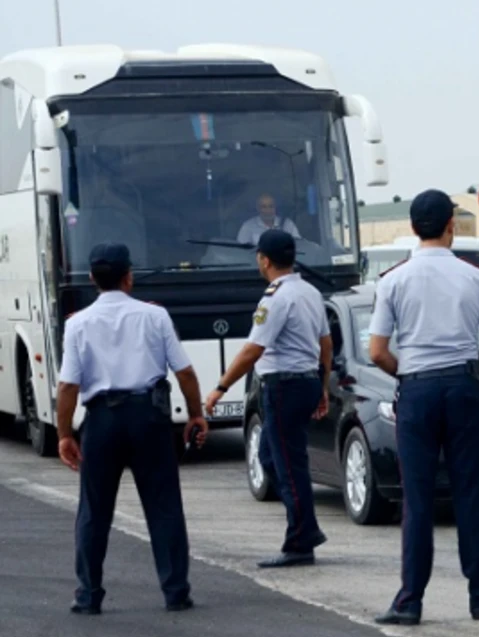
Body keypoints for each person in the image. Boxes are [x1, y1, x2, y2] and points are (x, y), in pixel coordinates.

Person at [367, 188, 479, 626]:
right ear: (452, 226)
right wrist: (470, 367)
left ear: (413, 229)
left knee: (418, 499)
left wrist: (410, 374)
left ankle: (410, 600)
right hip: (464, 387)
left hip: (416, 390)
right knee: (471, 493)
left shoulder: (393, 280)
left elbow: (376, 352)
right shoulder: (476, 279)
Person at [56, 242, 208, 614]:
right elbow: (185, 372)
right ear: (129, 277)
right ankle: (175, 591)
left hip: (102, 420)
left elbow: (67, 386)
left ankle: (89, 596)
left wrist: (64, 434)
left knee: (94, 510)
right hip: (149, 418)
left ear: (92, 278)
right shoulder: (154, 317)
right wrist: (195, 414)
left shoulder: (77, 323)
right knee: (164, 505)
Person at [204, 230, 333, 568]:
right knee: (272, 458)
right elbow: (326, 343)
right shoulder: (310, 292)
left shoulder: (275, 298)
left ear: (264, 259)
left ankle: (301, 540)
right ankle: (306, 527)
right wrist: (321, 384)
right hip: (303, 382)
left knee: (288, 465)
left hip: (284, 387)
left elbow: (252, 350)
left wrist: (221, 386)